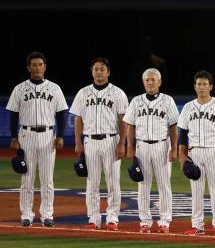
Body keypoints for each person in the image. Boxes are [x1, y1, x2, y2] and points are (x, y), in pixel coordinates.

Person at [6, 52, 68, 228]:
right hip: (26, 135)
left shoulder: (54, 88)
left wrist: (61, 135)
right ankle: (26, 215)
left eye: (40, 64)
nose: (37, 68)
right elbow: (13, 115)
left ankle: (47, 215)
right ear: (28, 68)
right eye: (33, 65)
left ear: (45, 67)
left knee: (47, 179)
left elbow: (61, 113)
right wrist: (13, 137)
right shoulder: (19, 89)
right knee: (27, 178)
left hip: (48, 136)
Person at [70, 57, 128, 230]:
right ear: (92, 71)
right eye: (96, 68)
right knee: (92, 182)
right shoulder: (83, 93)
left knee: (113, 182)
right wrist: (78, 142)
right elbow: (78, 119)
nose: (99, 71)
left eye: (102, 68)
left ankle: (112, 218)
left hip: (111, 140)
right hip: (90, 142)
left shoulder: (117, 93)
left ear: (108, 72)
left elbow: (123, 120)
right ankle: (93, 219)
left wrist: (122, 143)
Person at [124, 68, 179, 234]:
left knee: (164, 185)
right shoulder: (136, 101)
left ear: (160, 82)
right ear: (143, 82)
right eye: (147, 80)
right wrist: (130, 147)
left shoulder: (168, 101)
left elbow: (174, 127)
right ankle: (145, 221)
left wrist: (174, 148)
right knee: (143, 185)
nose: (150, 82)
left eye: (153, 80)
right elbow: (130, 126)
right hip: (142, 147)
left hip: (162, 146)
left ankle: (165, 220)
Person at [178, 70, 215, 236]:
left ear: (211, 86)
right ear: (195, 87)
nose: (202, 87)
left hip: (214, 151)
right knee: (196, 191)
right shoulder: (188, 108)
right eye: (199, 84)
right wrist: (182, 155)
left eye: (205, 84)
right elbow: (182, 134)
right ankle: (197, 225)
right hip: (194, 153)